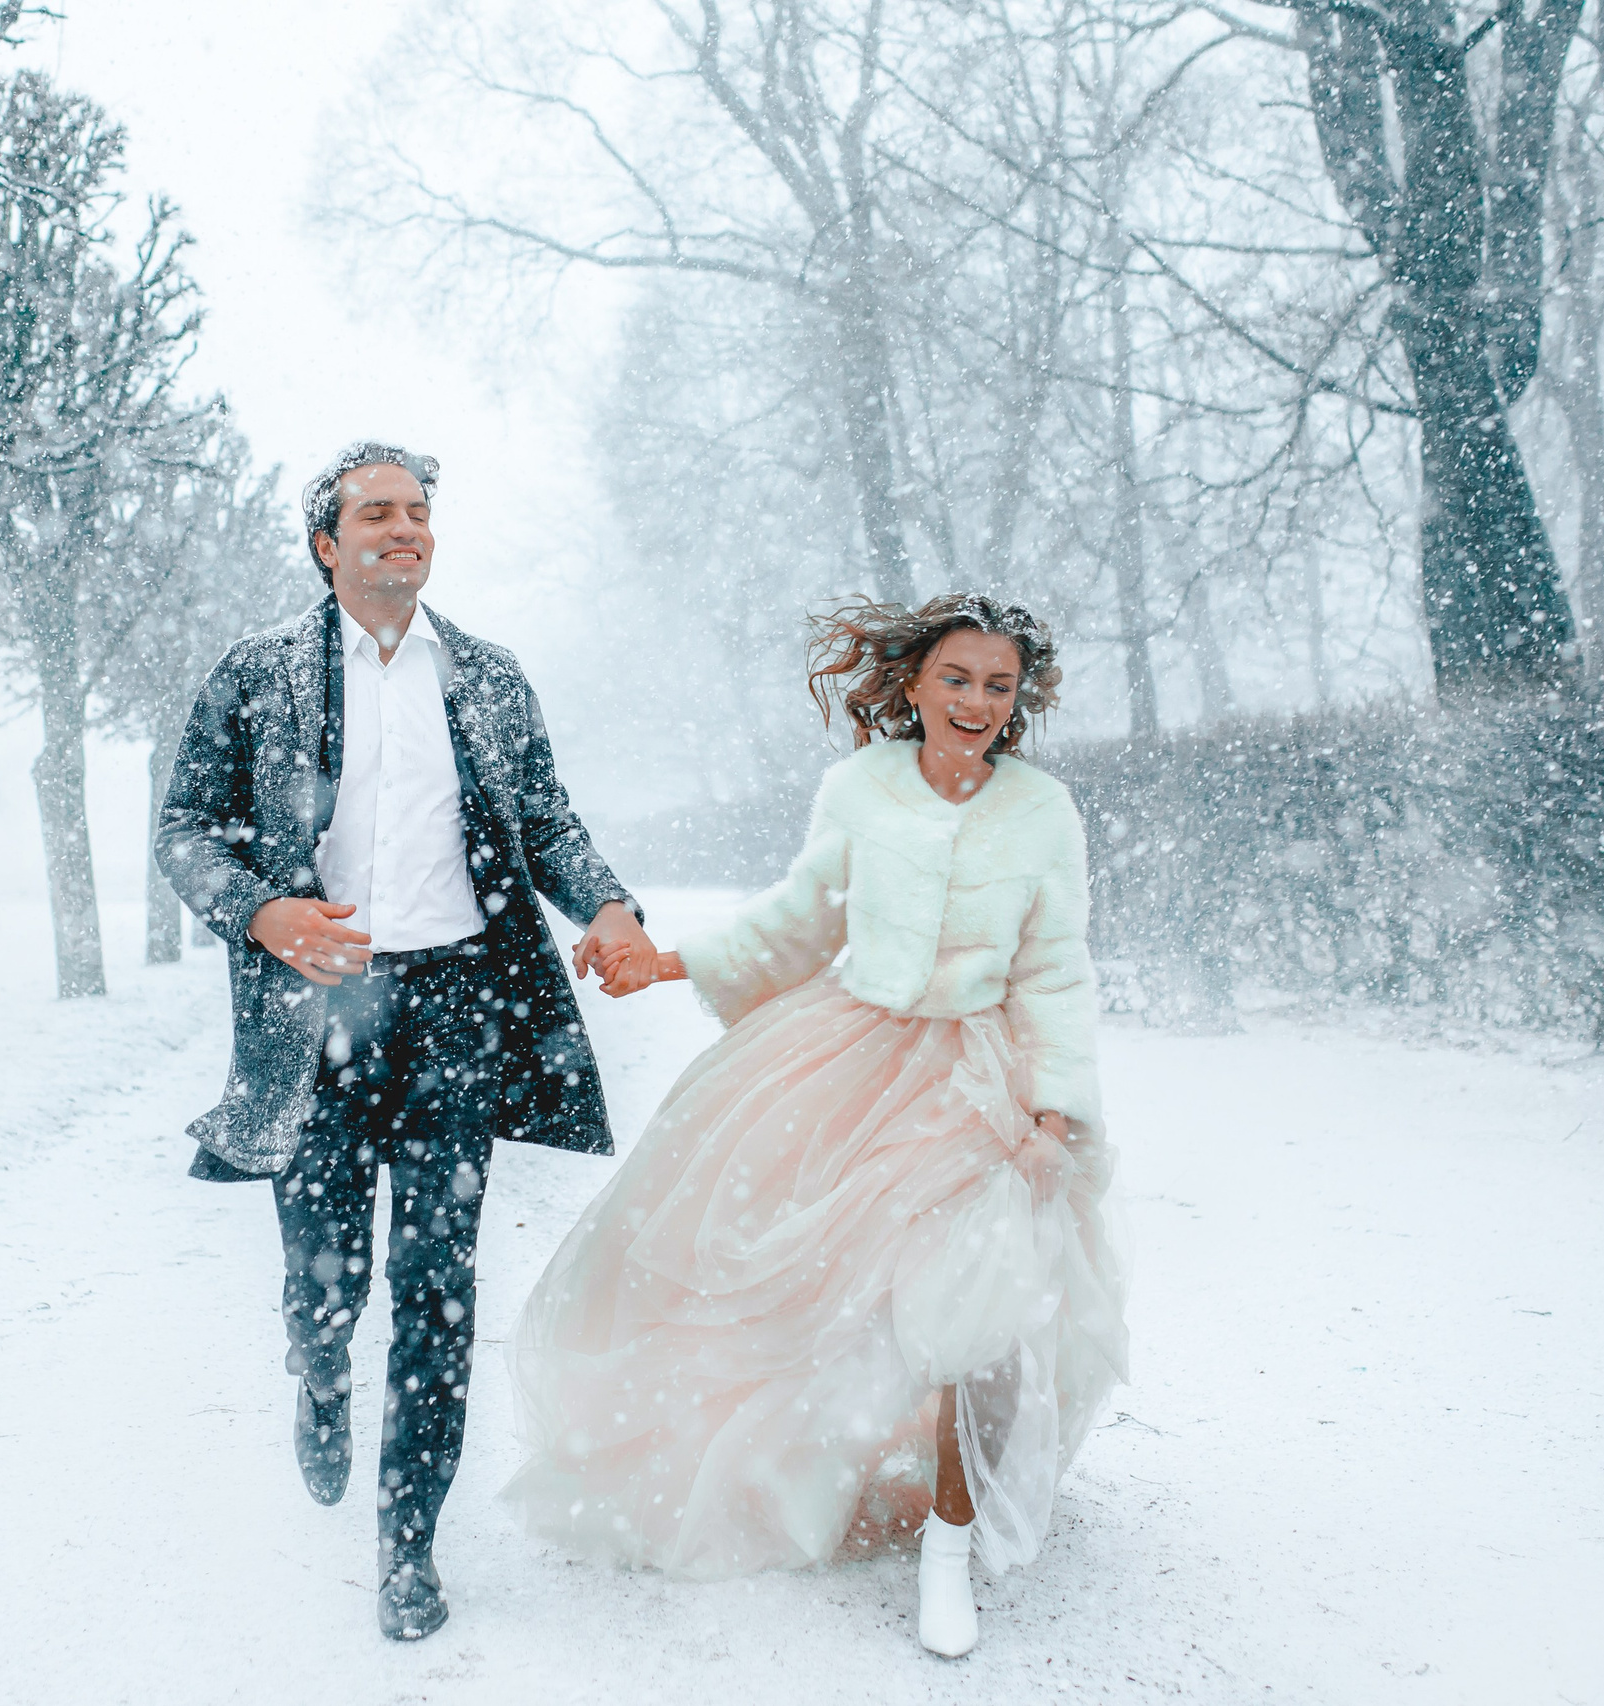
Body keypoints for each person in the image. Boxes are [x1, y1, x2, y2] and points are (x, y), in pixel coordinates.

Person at [507, 592, 1128, 1658]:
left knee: (981, 1303)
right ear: (914, 684)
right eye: (956, 677)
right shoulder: (861, 789)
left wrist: (1053, 1110)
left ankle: (949, 1545)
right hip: (849, 1055)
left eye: (998, 684)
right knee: (819, 1293)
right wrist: (666, 962)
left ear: (1017, 700)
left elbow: (1055, 969)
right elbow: (799, 922)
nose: (976, 701)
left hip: (981, 1078)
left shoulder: (1042, 812)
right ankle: (837, 1464)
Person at [154, 441, 657, 1642]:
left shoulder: (486, 675)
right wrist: (261, 912)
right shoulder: (257, 672)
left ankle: (408, 1546)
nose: (403, 527)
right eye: (375, 511)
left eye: (417, 511)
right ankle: (321, 1370)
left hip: (456, 1015)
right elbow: (185, 827)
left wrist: (608, 906)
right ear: (325, 543)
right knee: (327, 1278)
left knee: (439, 1288)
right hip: (317, 1015)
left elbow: (544, 818)